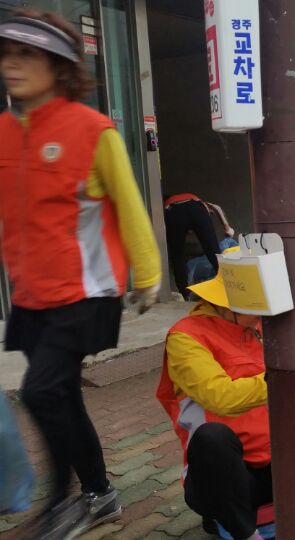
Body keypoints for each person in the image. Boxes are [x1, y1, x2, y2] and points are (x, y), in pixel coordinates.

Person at [0, 11, 161, 538]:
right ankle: (100, 494)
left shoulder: (93, 130)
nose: (12, 64)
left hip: (85, 290)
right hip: (31, 292)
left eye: (27, 55)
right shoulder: (4, 132)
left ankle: (66, 500)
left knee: (41, 391)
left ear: (59, 66)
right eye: (7, 54)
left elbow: (130, 203)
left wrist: (148, 272)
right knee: (61, 394)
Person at [156, 247, 271, 540]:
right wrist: (280, 380)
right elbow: (220, 396)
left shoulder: (264, 328)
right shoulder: (185, 337)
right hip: (223, 477)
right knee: (212, 439)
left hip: (277, 464)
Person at [164, 193, 235, 299]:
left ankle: (184, 293)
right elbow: (217, 207)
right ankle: (226, 287)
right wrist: (227, 227)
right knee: (214, 251)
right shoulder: (198, 201)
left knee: (177, 255)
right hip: (196, 209)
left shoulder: (167, 205)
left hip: (175, 212)